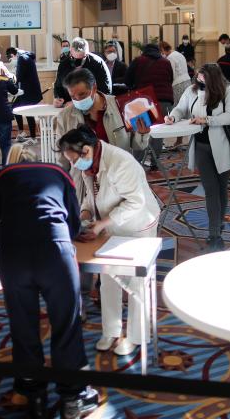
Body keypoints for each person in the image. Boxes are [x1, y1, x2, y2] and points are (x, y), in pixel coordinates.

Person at [0, 144, 99, 419]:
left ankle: (32, 394)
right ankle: (73, 397)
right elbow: (74, 223)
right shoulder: (59, 173)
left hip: (13, 257)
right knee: (66, 324)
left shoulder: (1, 177)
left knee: (22, 324)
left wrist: (9, 238)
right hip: (54, 252)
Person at [58, 127, 159, 357]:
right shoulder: (91, 160)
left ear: (85, 150)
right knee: (108, 277)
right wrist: (85, 213)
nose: (73, 166)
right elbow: (90, 194)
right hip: (109, 225)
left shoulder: (120, 162)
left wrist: (102, 224)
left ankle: (136, 336)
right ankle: (111, 331)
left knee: (136, 284)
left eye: (74, 160)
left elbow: (136, 202)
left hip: (137, 225)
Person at [165, 63, 230, 251]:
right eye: (198, 77)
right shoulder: (191, 91)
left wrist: (207, 120)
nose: (199, 81)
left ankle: (218, 224)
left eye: (203, 78)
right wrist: (172, 117)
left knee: (222, 188)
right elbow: (180, 108)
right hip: (201, 147)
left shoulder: (228, 91)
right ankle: (214, 233)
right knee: (211, 189)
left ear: (213, 78)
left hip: (223, 146)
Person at [54, 68, 149, 157]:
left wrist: (142, 134)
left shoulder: (120, 106)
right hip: (81, 174)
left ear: (94, 88)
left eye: (82, 94)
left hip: (116, 171)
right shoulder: (65, 117)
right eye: (73, 97)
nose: (78, 100)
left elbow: (137, 146)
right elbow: (62, 156)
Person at [126, 42, 174, 160]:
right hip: (164, 100)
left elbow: (127, 79)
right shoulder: (166, 62)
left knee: (140, 130)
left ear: (144, 51)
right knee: (159, 132)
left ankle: (137, 161)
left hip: (144, 101)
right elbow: (170, 79)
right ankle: (155, 161)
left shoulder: (138, 61)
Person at [54, 38, 111, 106]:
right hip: (68, 106)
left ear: (87, 53)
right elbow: (58, 86)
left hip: (94, 105)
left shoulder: (97, 63)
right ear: (71, 52)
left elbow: (105, 91)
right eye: (74, 59)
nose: (78, 63)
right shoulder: (64, 65)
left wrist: (79, 103)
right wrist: (58, 99)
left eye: (82, 59)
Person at [6, 47, 43, 141]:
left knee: (28, 113)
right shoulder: (26, 56)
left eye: (10, 59)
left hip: (29, 91)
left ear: (12, 55)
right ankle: (22, 132)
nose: (11, 61)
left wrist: (11, 79)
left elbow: (19, 77)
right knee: (15, 108)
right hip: (29, 90)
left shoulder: (22, 58)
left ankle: (33, 137)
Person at [160, 40, 192, 104]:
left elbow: (172, 74)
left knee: (178, 106)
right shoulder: (179, 54)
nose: (161, 54)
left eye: (161, 52)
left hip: (178, 85)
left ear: (163, 49)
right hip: (188, 82)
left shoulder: (170, 58)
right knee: (187, 104)